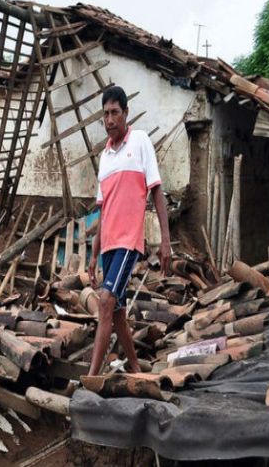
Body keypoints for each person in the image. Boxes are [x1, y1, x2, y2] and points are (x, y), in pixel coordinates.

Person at [87, 85, 170, 375]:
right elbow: (103, 211)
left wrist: (166, 242)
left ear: (126, 113)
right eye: (105, 114)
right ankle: (135, 368)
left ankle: (91, 377)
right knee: (118, 312)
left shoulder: (140, 141)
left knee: (106, 303)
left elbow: (156, 191)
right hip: (108, 245)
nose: (109, 120)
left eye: (114, 113)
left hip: (128, 242)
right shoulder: (104, 159)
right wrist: (93, 255)